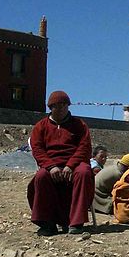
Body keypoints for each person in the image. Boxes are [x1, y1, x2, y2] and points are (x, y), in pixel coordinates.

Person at [27, 91, 94, 236]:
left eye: (64, 105)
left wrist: (71, 165)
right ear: (51, 108)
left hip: (74, 165)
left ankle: (76, 222)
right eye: (57, 106)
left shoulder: (79, 125)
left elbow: (84, 147)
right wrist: (51, 166)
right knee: (41, 177)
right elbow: (37, 149)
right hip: (51, 165)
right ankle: (47, 223)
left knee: (84, 172)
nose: (61, 108)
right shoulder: (41, 127)